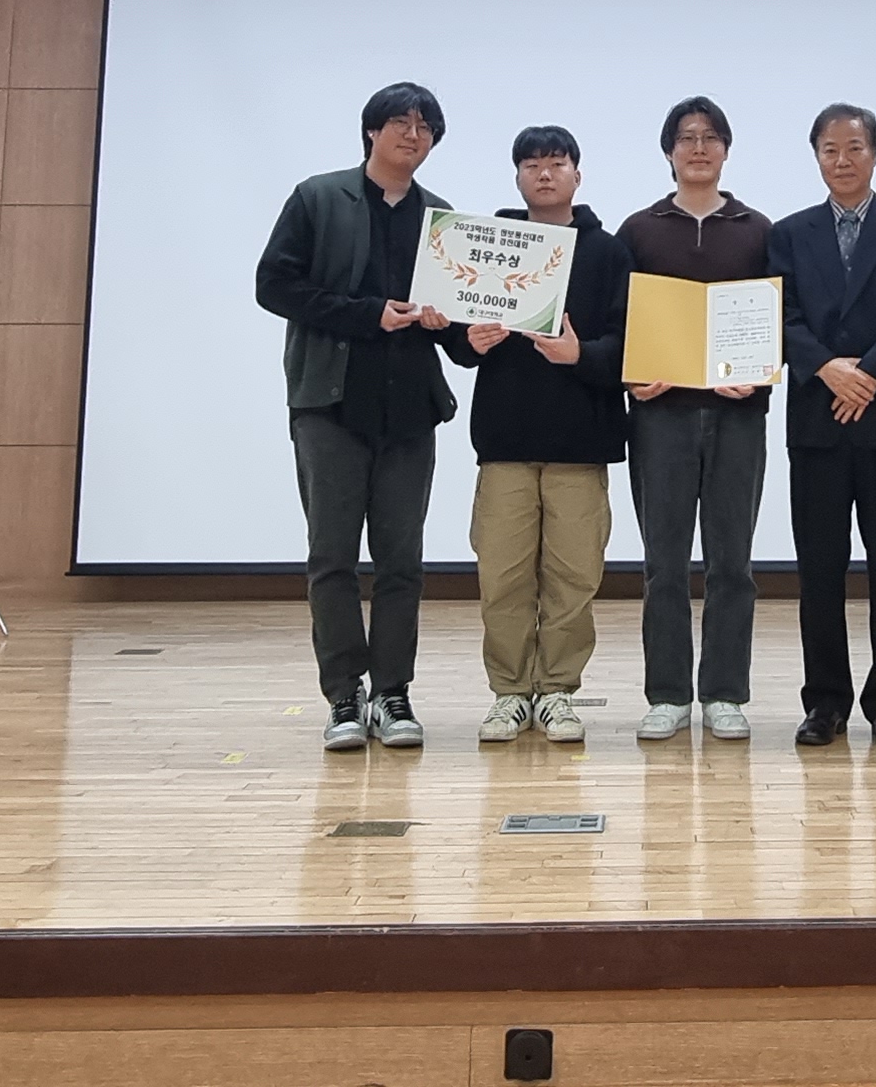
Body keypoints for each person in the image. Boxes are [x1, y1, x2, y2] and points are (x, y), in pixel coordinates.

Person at [251, 82, 459, 753]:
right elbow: (274, 285)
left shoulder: (442, 220)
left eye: (425, 126)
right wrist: (368, 314)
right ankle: (345, 694)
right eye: (400, 122)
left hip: (410, 411)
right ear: (372, 130)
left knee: (402, 561)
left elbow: (456, 331)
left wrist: (463, 331)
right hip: (330, 404)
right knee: (332, 557)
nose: (412, 135)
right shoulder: (318, 197)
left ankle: (393, 692)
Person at [442, 127, 633, 745]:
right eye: (531, 165)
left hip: (581, 441)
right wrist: (466, 340)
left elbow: (631, 343)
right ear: (517, 177)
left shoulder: (609, 252)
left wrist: (582, 354)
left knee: (574, 577)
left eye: (556, 163)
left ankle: (556, 692)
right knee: (502, 576)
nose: (544, 174)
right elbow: (457, 336)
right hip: (505, 441)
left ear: (578, 173)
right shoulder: (487, 246)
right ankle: (508, 693)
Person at [769, 103, 876, 752]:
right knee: (819, 568)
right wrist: (826, 368)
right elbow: (780, 314)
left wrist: (866, 376)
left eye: (854, 148)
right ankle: (825, 703)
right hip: (817, 420)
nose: (842, 161)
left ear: (874, 152)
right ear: (816, 156)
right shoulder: (789, 233)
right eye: (829, 150)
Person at [614, 96, 775, 742]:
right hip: (661, 417)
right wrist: (631, 374)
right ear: (669, 151)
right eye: (686, 138)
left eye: (711, 137)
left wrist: (760, 370)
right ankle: (668, 694)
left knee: (733, 562)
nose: (699, 147)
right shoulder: (639, 230)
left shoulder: (757, 229)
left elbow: (780, 320)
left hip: (739, 416)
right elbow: (617, 320)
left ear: (727, 150)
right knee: (664, 563)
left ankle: (725, 693)